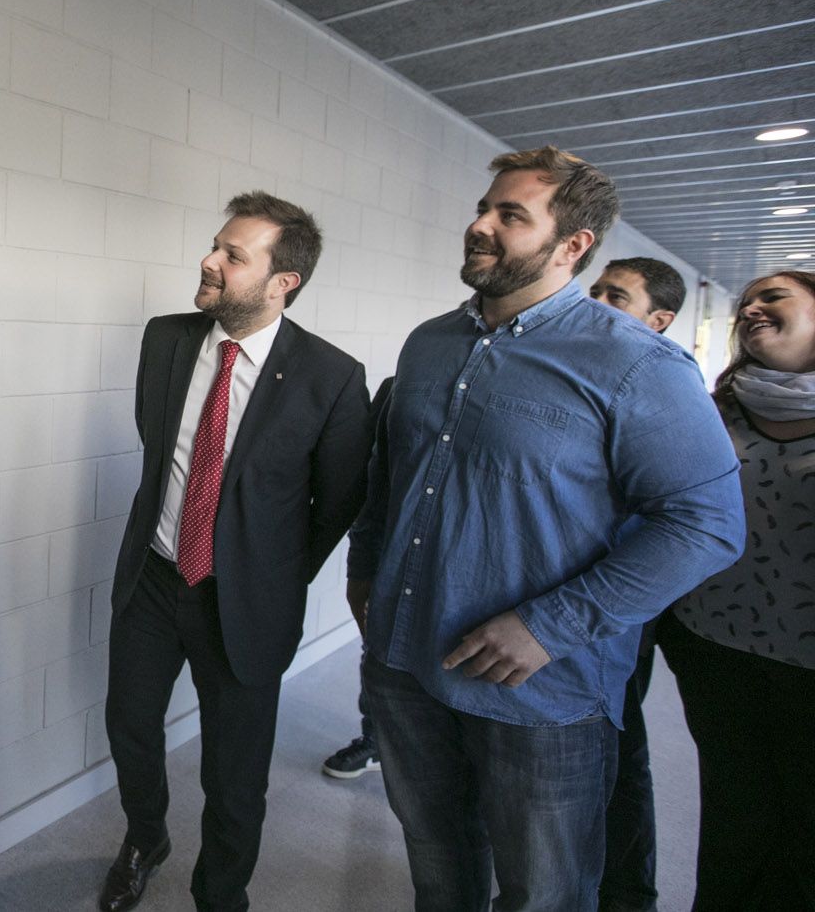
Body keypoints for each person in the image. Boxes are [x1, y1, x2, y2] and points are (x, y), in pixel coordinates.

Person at [348, 146, 744, 912]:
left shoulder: (638, 364)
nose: (478, 225)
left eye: (509, 215)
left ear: (572, 246)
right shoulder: (429, 344)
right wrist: (365, 570)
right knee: (440, 870)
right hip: (406, 665)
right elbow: (389, 473)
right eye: (483, 206)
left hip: (540, 690)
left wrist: (548, 624)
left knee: (545, 893)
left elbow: (707, 523)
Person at [99, 192, 371, 912]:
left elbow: (337, 501)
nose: (208, 259)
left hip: (245, 602)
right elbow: (158, 447)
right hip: (155, 578)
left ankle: (220, 894)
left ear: (283, 281)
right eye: (215, 244)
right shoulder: (166, 339)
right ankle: (145, 837)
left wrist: (271, 574)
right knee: (128, 725)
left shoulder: (332, 377)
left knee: (235, 770)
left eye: (232, 254)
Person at [658, 270, 815, 912]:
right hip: (713, 647)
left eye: (773, 295)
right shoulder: (713, 407)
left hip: (809, 667)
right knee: (734, 813)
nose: (751, 306)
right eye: (746, 300)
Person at [586, 257, 686, 912]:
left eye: (614, 296)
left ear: (659, 320)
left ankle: (626, 894)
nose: (596, 302)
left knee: (618, 748)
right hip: (547, 597)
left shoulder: (663, 386)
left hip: (615, 606)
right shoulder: (581, 369)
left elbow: (683, 520)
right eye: (594, 289)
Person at [321, 376, 394, 782]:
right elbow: (371, 485)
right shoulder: (400, 388)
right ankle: (375, 741)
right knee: (377, 654)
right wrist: (360, 568)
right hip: (391, 560)